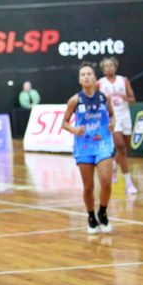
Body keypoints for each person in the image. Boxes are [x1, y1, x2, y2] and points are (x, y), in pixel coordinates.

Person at [62, 62, 115, 234]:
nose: (86, 76)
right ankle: (91, 216)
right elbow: (64, 123)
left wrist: (112, 124)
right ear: (79, 79)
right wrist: (74, 129)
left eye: (89, 74)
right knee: (88, 187)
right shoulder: (75, 100)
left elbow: (112, 115)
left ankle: (103, 211)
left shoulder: (103, 98)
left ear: (94, 78)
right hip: (84, 145)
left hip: (103, 143)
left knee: (106, 181)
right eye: (83, 74)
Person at [98, 57, 137, 194]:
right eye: (106, 66)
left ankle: (114, 165)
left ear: (115, 67)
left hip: (125, 116)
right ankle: (129, 183)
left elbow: (133, 100)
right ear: (103, 69)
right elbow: (96, 103)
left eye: (111, 65)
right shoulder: (100, 84)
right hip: (112, 118)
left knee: (125, 149)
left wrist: (124, 97)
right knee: (120, 146)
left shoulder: (123, 80)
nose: (109, 68)